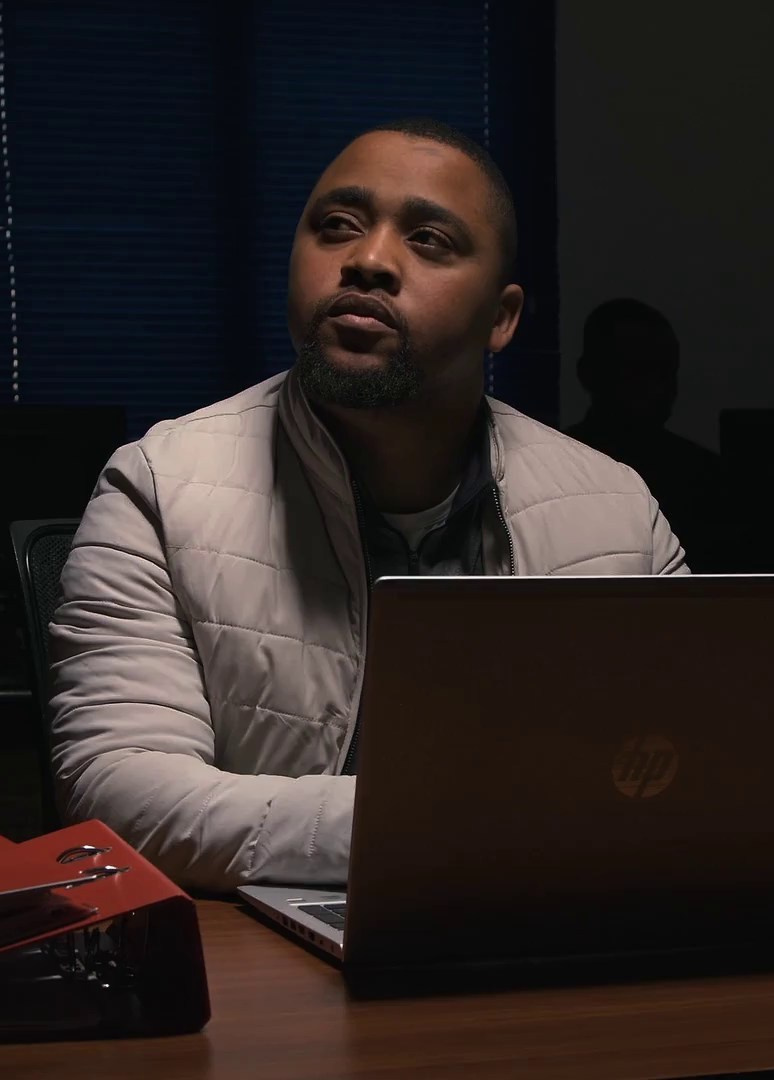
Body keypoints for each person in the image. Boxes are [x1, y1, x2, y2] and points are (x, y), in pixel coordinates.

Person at [48, 119, 686, 892]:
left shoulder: (618, 511)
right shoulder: (158, 486)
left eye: (429, 240)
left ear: (501, 318)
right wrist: (444, 826)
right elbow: (119, 794)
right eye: (337, 226)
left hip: (550, 932)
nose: (369, 260)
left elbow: (688, 774)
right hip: (274, 948)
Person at [564, 299, 729, 570]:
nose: (657, 388)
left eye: (666, 372)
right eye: (637, 370)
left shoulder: (708, 479)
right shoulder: (557, 473)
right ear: (589, 374)